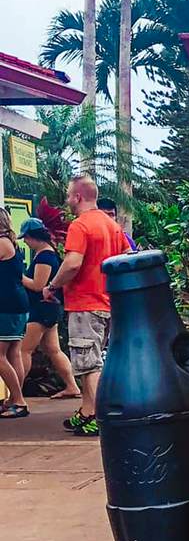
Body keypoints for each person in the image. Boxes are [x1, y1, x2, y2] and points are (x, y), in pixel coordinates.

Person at [43, 175, 129, 435]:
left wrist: (52, 286)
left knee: (89, 362)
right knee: (91, 358)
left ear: (78, 197)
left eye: (69, 196)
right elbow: (125, 256)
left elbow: (72, 263)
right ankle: (87, 410)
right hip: (107, 301)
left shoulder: (80, 226)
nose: (68, 200)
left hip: (84, 302)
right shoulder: (111, 224)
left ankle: (100, 417)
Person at [17, 219, 82, 405]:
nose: (25, 242)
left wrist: (18, 276)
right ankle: (72, 386)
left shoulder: (44, 257)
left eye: (27, 238)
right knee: (52, 349)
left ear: (34, 237)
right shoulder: (48, 254)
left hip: (41, 309)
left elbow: (38, 285)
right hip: (49, 309)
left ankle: (16, 393)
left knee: (24, 350)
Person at [0, 209, 30, 419]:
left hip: (5, 305)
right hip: (17, 303)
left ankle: (18, 400)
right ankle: (15, 399)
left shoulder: (1, 242)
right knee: (13, 353)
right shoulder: (12, 243)